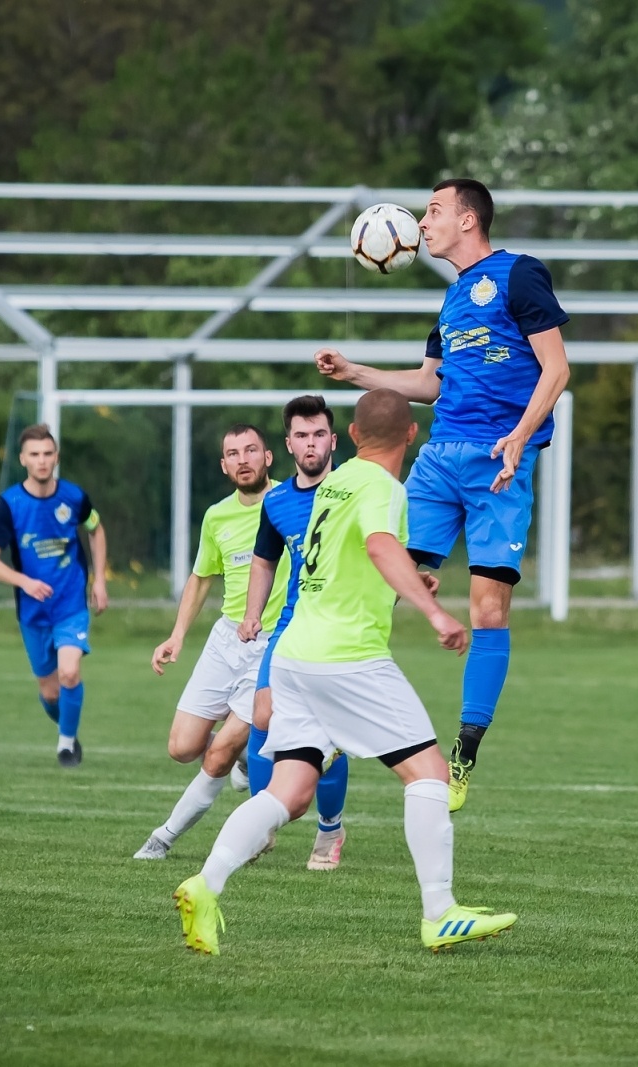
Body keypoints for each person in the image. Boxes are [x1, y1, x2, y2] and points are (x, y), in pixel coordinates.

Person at [173, 389, 517, 955]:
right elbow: (380, 545)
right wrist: (433, 611)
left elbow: (344, 560)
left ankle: (205, 883)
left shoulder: (334, 484)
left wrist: (408, 578)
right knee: (430, 776)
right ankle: (440, 911)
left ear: (350, 438)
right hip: (347, 657)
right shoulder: (383, 486)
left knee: (291, 790)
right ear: (413, 437)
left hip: (292, 657)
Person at [316, 177, 570, 811]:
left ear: (468, 217)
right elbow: (429, 384)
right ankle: (327, 720)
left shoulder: (518, 275)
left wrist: (519, 436)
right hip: (438, 460)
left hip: (497, 464)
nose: (421, 222)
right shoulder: (453, 298)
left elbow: (558, 367)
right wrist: (355, 372)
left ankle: (464, 752)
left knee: (487, 610)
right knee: (387, 581)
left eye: (432, 211)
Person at [135, 426, 289, 860]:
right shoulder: (217, 516)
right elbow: (202, 577)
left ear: (269, 457)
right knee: (182, 747)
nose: (243, 459)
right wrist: (177, 635)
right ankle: (245, 758)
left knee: (218, 752)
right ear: (224, 466)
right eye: (233, 453)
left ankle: (162, 838)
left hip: (272, 645)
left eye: (251, 450)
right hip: (226, 640)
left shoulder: (292, 502)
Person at [238, 395, 352, 871]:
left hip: (342, 632)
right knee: (261, 716)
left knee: (331, 735)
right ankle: (261, 826)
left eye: (319, 434)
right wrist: (251, 613)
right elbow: (265, 560)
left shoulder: (352, 490)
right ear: (288, 445)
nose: (311, 444)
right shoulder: (277, 501)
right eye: (302, 436)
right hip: (290, 626)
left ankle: (330, 830)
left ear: (333, 439)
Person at [0, 424, 109, 767]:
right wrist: (23, 581)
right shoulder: (10, 504)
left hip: (70, 604)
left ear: (56, 457)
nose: (42, 461)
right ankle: (68, 727)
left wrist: (99, 580)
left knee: (69, 673)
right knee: (51, 692)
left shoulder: (74, 497)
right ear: (22, 459)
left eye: (48, 454)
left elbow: (95, 528)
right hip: (33, 613)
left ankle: (66, 745)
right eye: (34, 455)